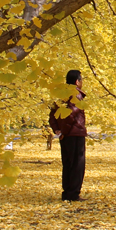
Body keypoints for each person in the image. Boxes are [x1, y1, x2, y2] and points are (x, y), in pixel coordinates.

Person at [50, 70, 87, 201]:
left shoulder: (61, 95)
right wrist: (63, 132)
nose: (82, 83)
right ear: (77, 81)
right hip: (74, 134)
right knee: (77, 164)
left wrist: (57, 130)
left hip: (66, 134)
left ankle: (67, 193)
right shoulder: (75, 94)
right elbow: (71, 115)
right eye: (81, 80)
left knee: (68, 164)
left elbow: (53, 114)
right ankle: (73, 194)